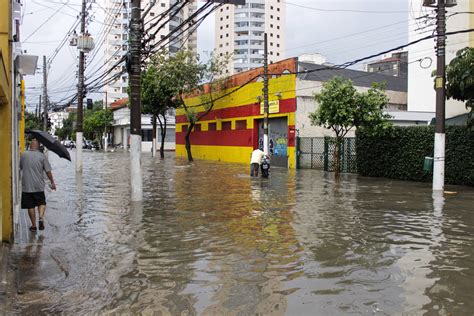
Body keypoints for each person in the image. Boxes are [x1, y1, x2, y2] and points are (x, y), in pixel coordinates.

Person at [20, 139, 56, 232]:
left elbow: (20, 167)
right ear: (38, 146)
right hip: (39, 186)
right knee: (42, 203)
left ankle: (33, 225)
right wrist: (52, 182)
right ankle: (40, 217)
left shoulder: (23, 155)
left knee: (30, 206)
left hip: (26, 186)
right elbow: (48, 171)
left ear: (30, 146)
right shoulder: (42, 156)